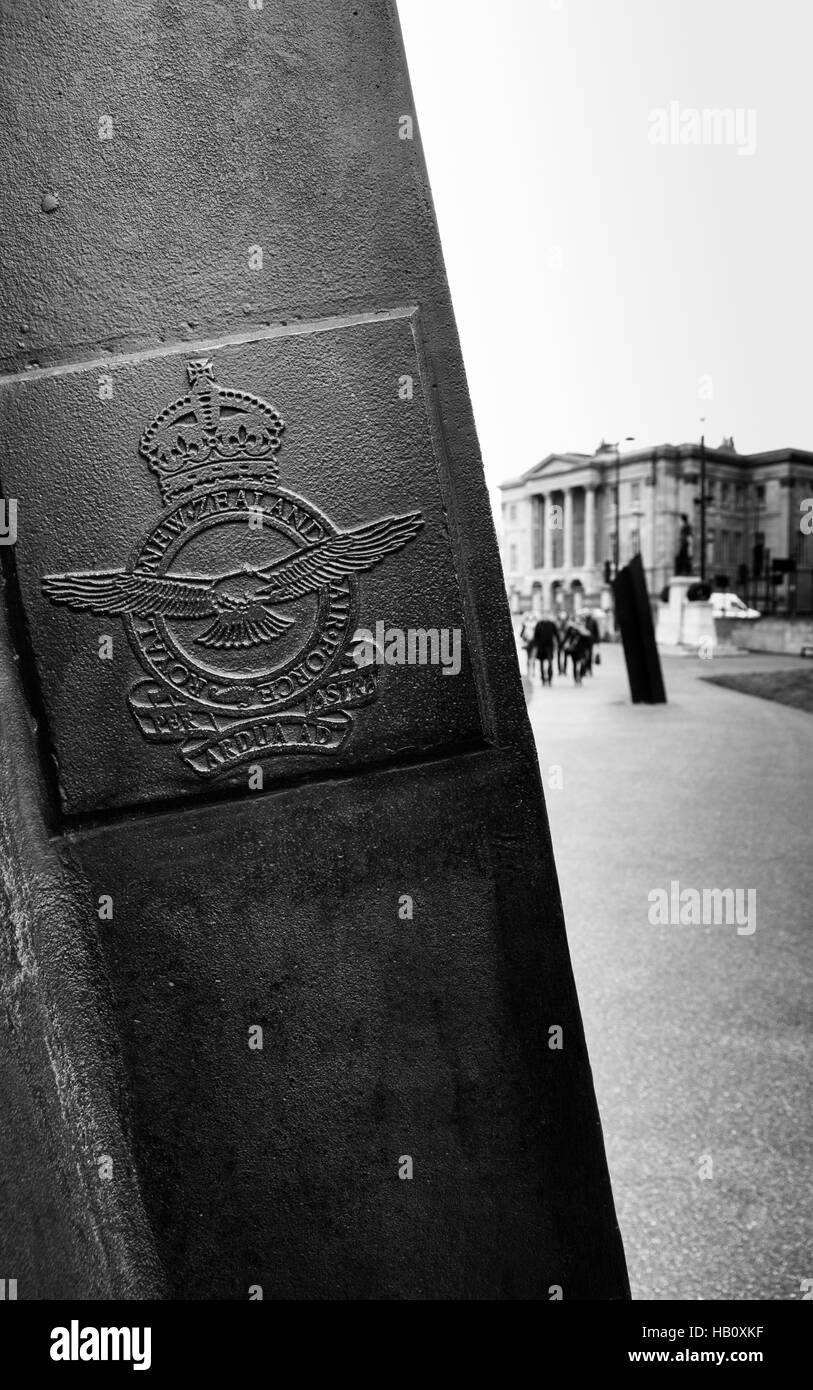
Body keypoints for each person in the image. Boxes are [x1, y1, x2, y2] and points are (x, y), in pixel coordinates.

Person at [533, 613, 557, 686]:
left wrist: (559, 644)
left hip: (549, 647)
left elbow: (556, 634)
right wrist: (536, 645)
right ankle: (543, 679)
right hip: (541, 647)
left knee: (550, 663)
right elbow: (536, 636)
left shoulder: (552, 624)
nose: (545, 617)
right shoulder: (539, 624)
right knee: (541, 663)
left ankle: (550, 679)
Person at [519, 610, 537, 676]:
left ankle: (532, 672)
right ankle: (530, 671)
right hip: (529, 643)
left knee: (532, 658)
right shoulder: (526, 625)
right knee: (530, 658)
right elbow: (521, 634)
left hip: (533, 643)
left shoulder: (535, 625)